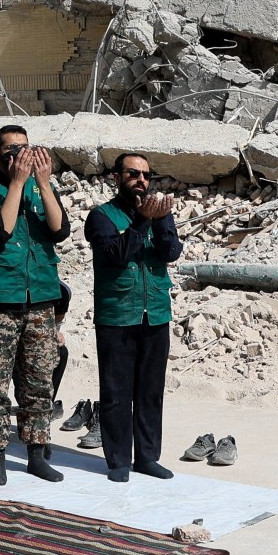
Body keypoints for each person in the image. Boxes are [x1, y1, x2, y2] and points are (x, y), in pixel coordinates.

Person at [0, 125, 70, 486]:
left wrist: (43, 184)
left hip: (41, 298)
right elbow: (1, 231)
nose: (20, 155)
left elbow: (60, 230)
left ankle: (36, 453)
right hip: (1, 299)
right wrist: (16, 184)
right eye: (11, 149)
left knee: (39, 381)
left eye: (25, 147)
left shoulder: (42, 186)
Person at [85, 154, 183, 484]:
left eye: (145, 175)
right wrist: (142, 221)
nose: (141, 180)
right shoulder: (101, 216)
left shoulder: (158, 212)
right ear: (117, 177)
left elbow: (171, 253)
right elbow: (116, 254)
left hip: (155, 313)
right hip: (117, 315)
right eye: (133, 173)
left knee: (150, 391)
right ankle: (118, 460)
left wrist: (162, 220)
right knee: (116, 391)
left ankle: (147, 457)